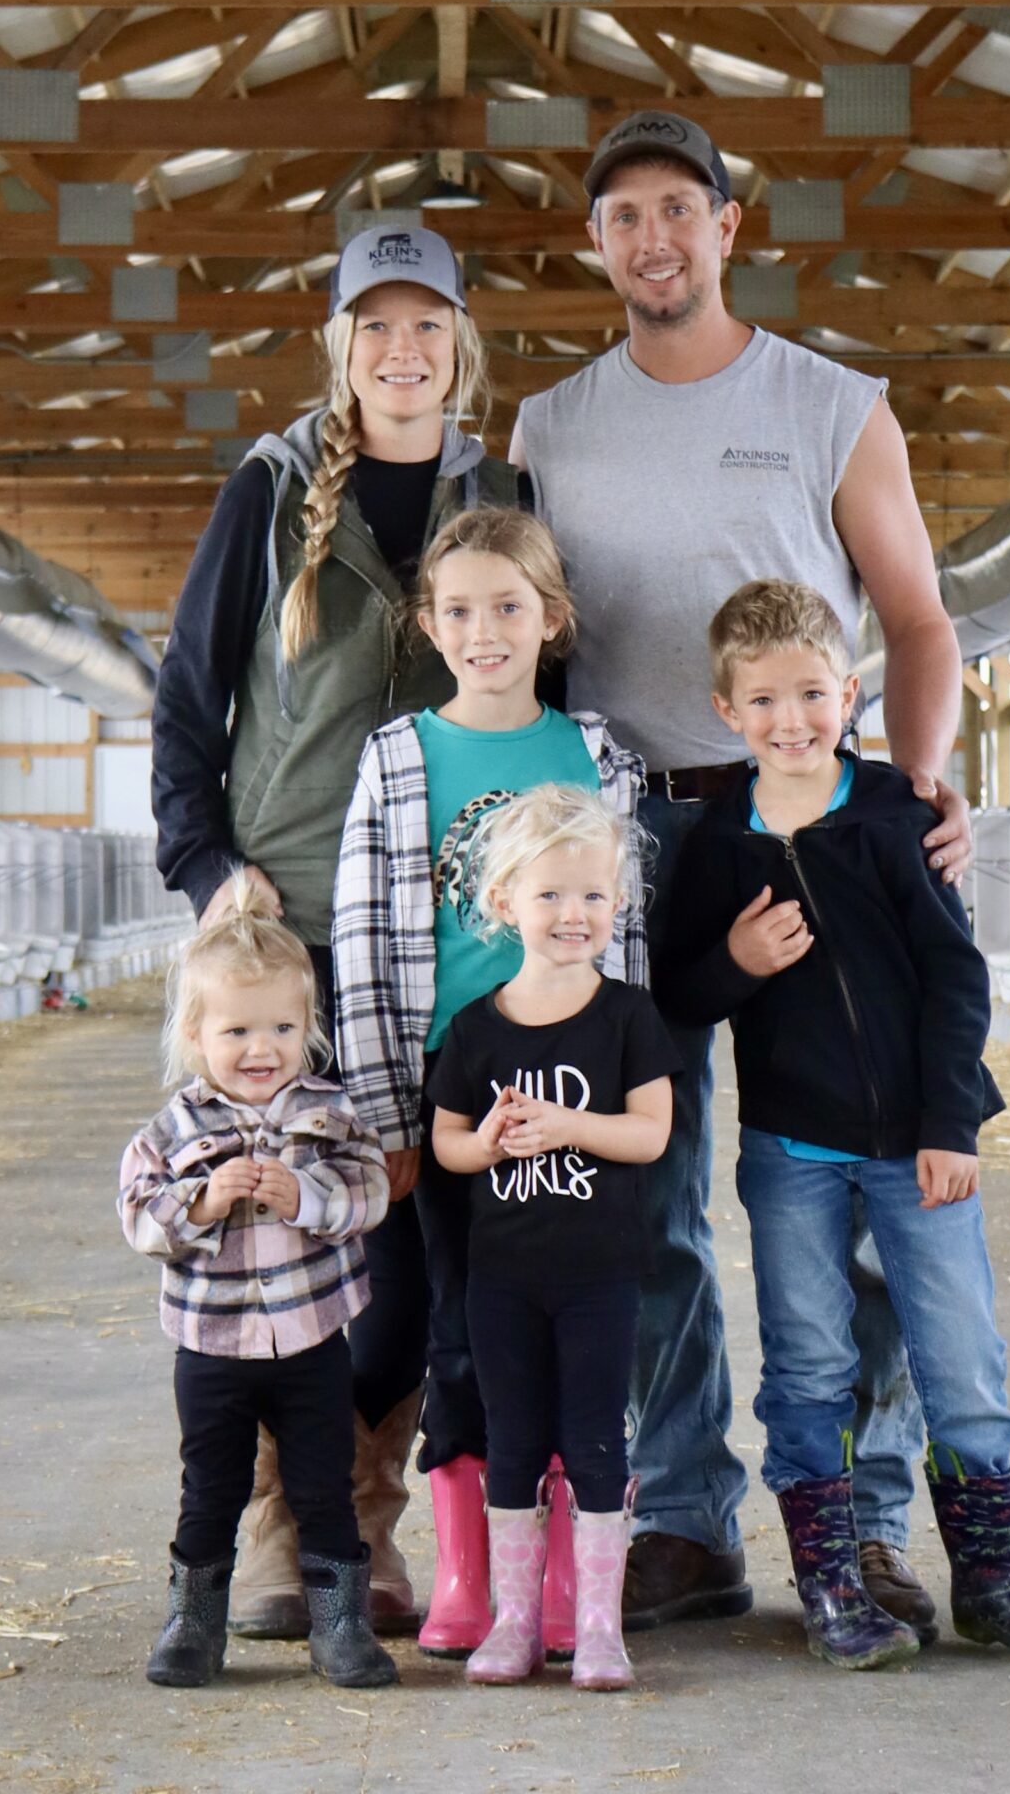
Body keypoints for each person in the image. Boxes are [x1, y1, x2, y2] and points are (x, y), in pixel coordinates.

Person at [511, 110, 974, 1633]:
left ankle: (871, 1521)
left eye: (677, 209)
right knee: (642, 1188)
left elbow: (917, 620)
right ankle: (687, 1518)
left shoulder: (833, 405)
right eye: (622, 215)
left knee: (857, 1178)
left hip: (802, 823)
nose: (652, 238)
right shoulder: (550, 427)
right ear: (596, 245)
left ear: (728, 225)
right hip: (623, 838)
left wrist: (916, 787)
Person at [149, 223, 520, 1639]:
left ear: (461, 344)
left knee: (412, 1249)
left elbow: (545, 677)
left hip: (448, 924)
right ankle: (271, 1526)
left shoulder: (503, 492)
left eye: (427, 324)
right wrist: (205, 864)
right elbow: (190, 692)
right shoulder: (271, 486)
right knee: (269, 1231)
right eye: (376, 325)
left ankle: (359, 1517)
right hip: (292, 916)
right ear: (340, 345)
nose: (401, 350)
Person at [658, 582, 1010, 1670]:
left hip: (918, 1145)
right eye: (765, 701)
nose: (791, 720)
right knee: (807, 1360)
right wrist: (736, 961)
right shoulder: (716, 845)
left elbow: (956, 976)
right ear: (727, 711)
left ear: (848, 694)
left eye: (813, 693)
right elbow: (676, 991)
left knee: (961, 1356)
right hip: (790, 1152)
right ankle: (832, 1590)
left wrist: (952, 1122)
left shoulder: (899, 816)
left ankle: (991, 1582)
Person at [330, 506, 648, 1659]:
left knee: (581, 1329)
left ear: (550, 618)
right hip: (453, 1093)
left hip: (573, 1093)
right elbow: (362, 936)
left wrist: (625, 1091)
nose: (484, 630)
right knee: (462, 1329)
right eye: (459, 609)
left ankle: (566, 1582)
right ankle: (471, 1575)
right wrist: (388, 1112)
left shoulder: (597, 754)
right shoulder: (397, 754)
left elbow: (630, 935)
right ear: (427, 624)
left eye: (508, 606)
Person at [117, 875, 398, 1691]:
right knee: (211, 1484)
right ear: (196, 1034)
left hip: (312, 1341)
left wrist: (306, 1196)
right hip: (212, 1344)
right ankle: (193, 1623)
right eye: (236, 1030)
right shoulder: (172, 1130)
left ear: (308, 1029)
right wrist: (203, 1201)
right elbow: (140, 1219)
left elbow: (370, 1194)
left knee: (325, 1484)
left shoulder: (332, 1116)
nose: (260, 1049)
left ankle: (340, 1625)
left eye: (282, 1028)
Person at [428, 785, 677, 1689]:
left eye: (594, 896)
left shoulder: (629, 1017)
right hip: (502, 1280)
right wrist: (488, 1143)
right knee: (514, 1440)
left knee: (596, 1438)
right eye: (551, 894)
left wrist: (569, 1126)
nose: (575, 914)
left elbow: (650, 1134)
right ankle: (516, 1623)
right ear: (504, 902)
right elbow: (448, 1144)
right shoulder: (476, 1029)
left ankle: (600, 1628)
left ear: (620, 902)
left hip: (598, 1278)